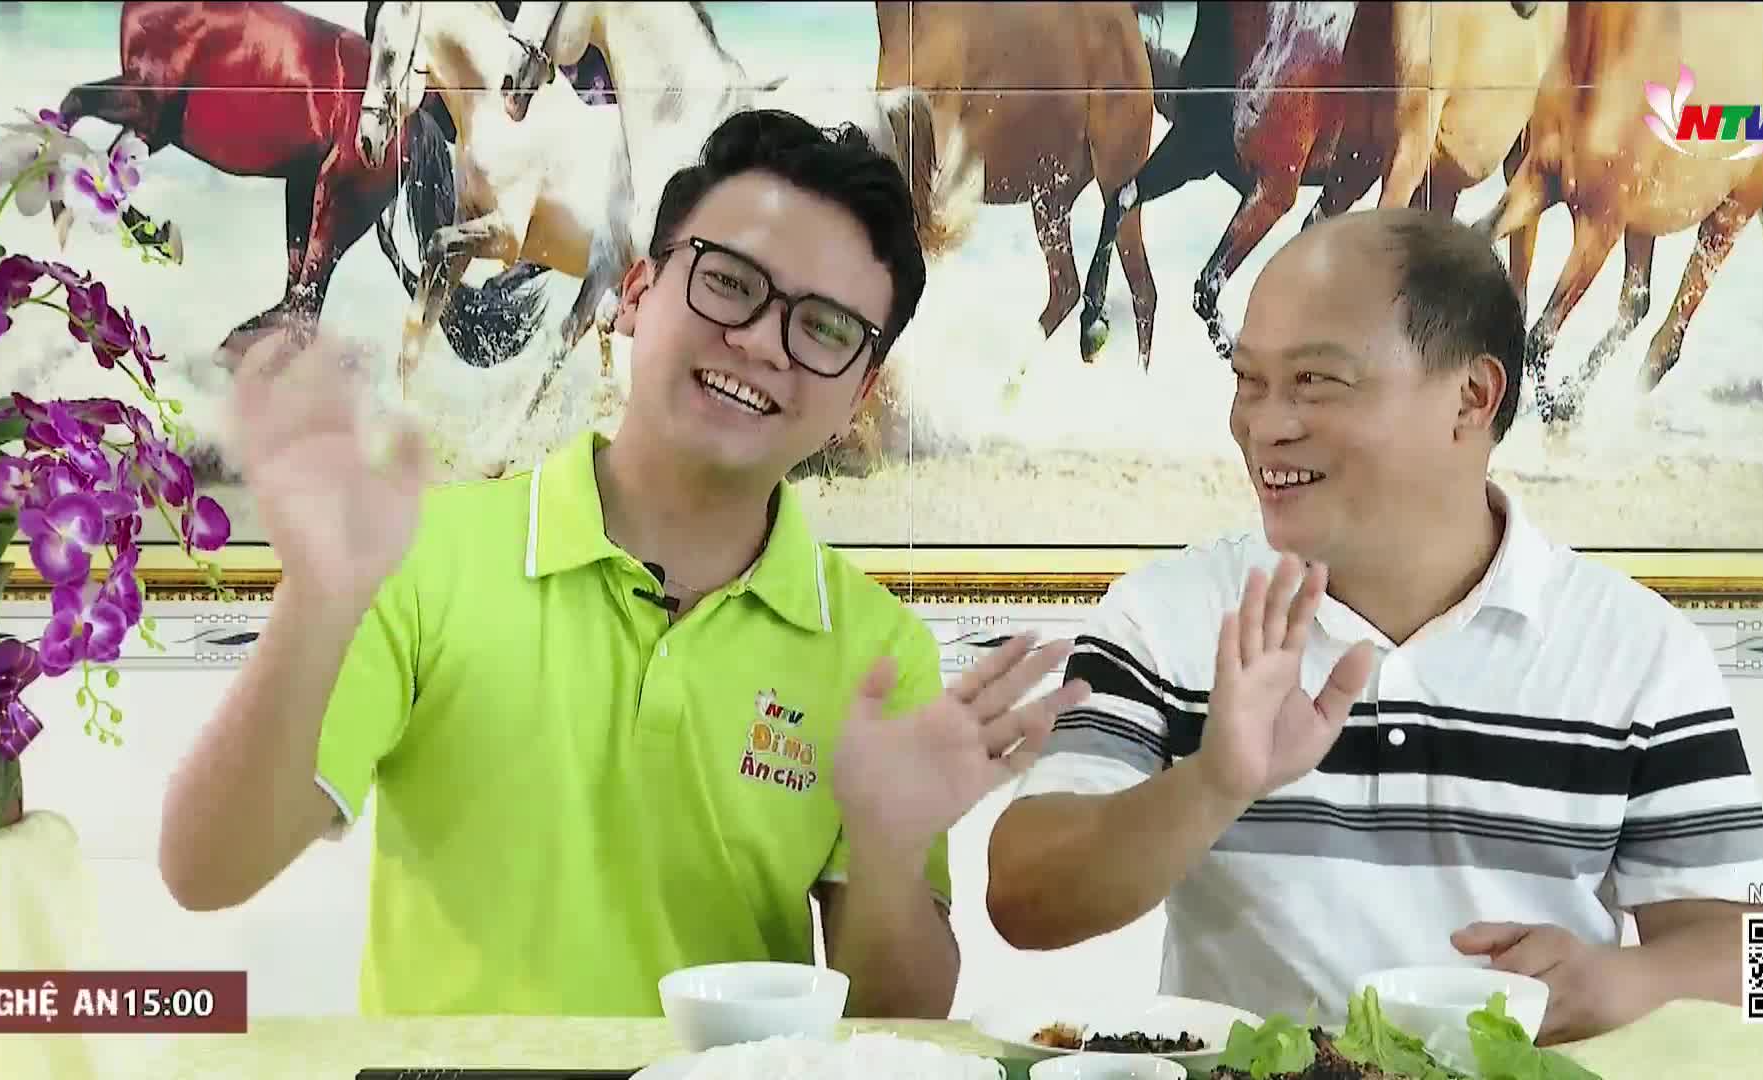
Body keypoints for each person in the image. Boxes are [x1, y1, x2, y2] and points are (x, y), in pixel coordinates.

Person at [158, 108, 1088, 1018]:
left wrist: (885, 851)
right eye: (729, 282)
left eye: (827, 329)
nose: (762, 341)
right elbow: (205, 870)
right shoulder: (422, 553)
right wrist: (318, 599)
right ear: (637, 291)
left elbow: (898, 1020)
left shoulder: (878, 652)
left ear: (860, 394)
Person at [983, 206, 1763, 1046]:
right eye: (1248, 381)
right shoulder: (1169, 614)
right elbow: (1022, 901)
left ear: (1472, 398)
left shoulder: (1637, 649)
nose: (1265, 425)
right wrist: (1214, 783)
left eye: (1315, 381)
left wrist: (1624, 982)